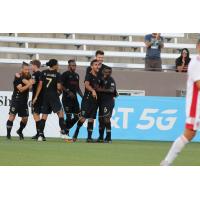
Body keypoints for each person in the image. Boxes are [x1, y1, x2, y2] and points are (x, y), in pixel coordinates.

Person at [160, 39, 200, 166]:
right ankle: (166, 162)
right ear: (198, 47)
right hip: (196, 106)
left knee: (189, 134)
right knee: (189, 134)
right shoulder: (196, 62)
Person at [32, 59, 70, 141]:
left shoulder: (44, 72)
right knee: (60, 113)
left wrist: (35, 97)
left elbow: (40, 85)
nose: (58, 65)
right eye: (57, 64)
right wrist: (60, 91)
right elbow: (59, 87)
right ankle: (63, 133)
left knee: (44, 116)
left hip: (45, 97)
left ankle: (40, 135)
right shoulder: (57, 74)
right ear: (54, 65)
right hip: (54, 96)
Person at [72, 59, 99, 142]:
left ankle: (89, 138)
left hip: (95, 101)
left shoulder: (99, 77)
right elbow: (86, 85)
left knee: (91, 119)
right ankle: (76, 133)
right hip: (87, 100)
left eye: (98, 65)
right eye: (95, 65)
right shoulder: (89, 75)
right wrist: (93, 90)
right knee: (83, 118)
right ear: (92, 66)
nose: (97, 66)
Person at [6, 62, 33, 140]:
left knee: (25, 118)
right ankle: (8, 134)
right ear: (21, 69)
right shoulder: (17, 77)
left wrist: (26, 82)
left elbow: (31, 86)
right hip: (16, 100)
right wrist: (28, 83)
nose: (27, 71)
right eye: (25, 69)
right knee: (12, 116)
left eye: (28, 69)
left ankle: (20, 131)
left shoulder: (27, 76)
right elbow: (21, 89)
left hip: (24, 101)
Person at [61, 59, 83, 135]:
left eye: (75, 65)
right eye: (72, 65)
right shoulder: (65, 74)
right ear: (69, 66)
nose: (74, 67)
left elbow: (78, 88)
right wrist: (68, 91)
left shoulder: (77, 75)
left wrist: (83, 97)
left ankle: (65, 129)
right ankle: (66, 132)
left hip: (75, 99)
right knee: (69, 116)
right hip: (66, 99)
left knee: (78, 116)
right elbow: (61, 85)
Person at [96, 67, 117, 143]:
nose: (107, 73)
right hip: (101, 103)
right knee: (100, 120)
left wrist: (100, 89)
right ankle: (101, 137)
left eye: (109, 72)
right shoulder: (101, 79)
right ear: (103, 72)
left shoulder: (111, 80)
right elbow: (96, 88)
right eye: (106, 72)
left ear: (110, 72)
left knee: (106, 119)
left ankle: (109, 138)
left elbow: (112, 90)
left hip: (108, 102)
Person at [30, 60, 44, 139]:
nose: (30, 67)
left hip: (37, 97)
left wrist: (35, 97)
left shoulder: (35, 74)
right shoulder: (42, 74)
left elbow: (32, 86)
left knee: (36, 115)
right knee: (38, 115)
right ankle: (39, 133)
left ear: (35, 65)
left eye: (31, 65)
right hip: (43, 97)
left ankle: (40, 133)